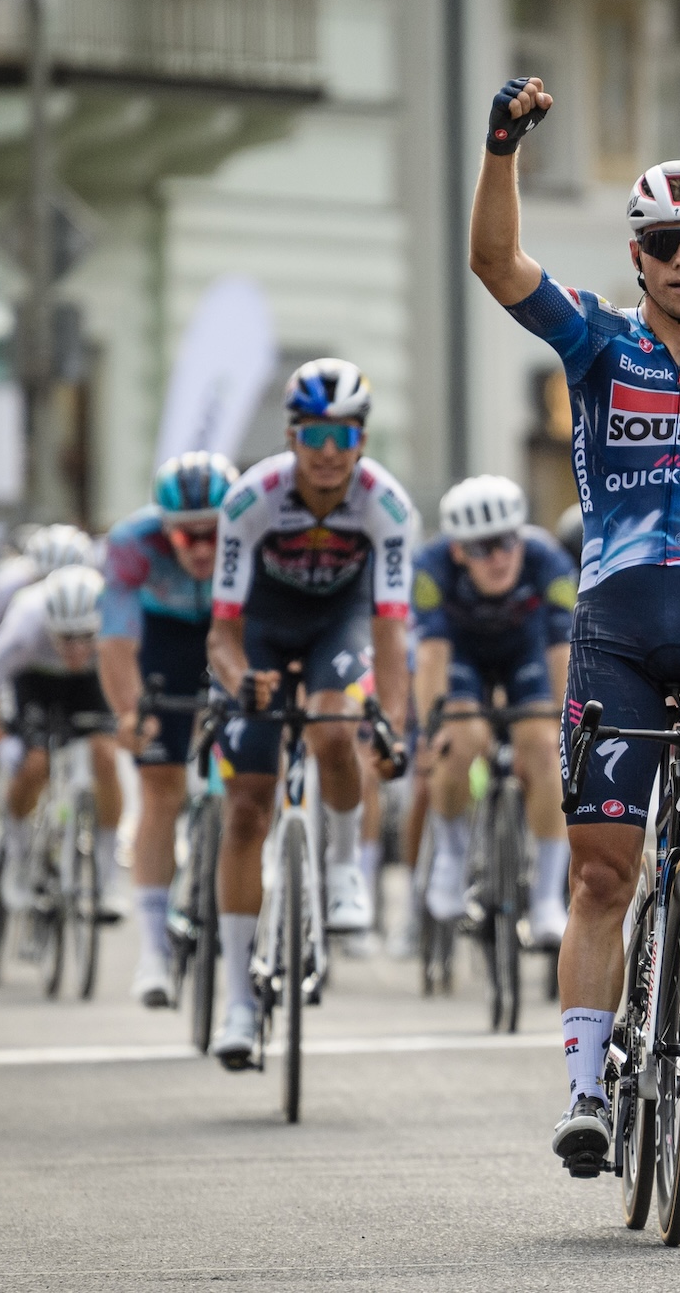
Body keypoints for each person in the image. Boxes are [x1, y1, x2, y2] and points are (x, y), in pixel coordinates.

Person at [470, 77, 680, 1175]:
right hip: (615, 630)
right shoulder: (596, 345)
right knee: (600, 877)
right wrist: (500, 149)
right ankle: (584, 1092)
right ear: (636, 257)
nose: (679, 260)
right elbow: (495, 264)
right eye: (660, 242)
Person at [205, 358, 413, 1069]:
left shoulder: (386, 505)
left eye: (344, 435)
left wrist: (390, 719)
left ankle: (345, 865)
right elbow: (223, 633)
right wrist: (239, 684)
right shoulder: (248, 501)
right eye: (315, 434)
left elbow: (390, 630)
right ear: (293, 436)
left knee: (333, 725)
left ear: (360, 439)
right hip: (262, 627)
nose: (329, 450)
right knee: (244, 808)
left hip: (340, 625)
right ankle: (237, 997)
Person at [97, 451, 237, 1007]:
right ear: (164, 530)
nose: (202, 549)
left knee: (243, 780)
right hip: (163, 640)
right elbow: (115, 642)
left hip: (229, 631)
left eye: (212, 535)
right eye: (186, 539)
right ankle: (153, 951)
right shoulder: (133, 542)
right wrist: (130, 712)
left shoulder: (251, 534)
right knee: (160, 790)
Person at [413, 474, 576, 946]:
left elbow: (559, 655)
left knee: (546, 747)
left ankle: (546, 895)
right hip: (461, 655)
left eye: (506, 543)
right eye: (482, 549)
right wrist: (433, 730)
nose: (499, 557)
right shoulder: (431, 568)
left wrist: (568, 727)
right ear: (459, 551)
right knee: (460, 742)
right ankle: (451, 853)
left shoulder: (548, 561)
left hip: (525, 653)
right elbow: (431, 658)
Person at [0, 564, 123, 917]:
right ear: (49, 626)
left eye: (85, 637)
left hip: (93, 682)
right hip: (36, 681)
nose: (77, 649)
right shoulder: (24, 630)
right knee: (33, 764)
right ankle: (17, 861)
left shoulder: (117, 623)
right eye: (66, 638)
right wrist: (3, 747)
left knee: (106, 757)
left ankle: (107, 877)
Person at [0, 524, 92, 666]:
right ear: (31, 571)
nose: (58, 591)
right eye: (43, 581)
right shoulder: (10, 590)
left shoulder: (100, 595)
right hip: (29, 663)